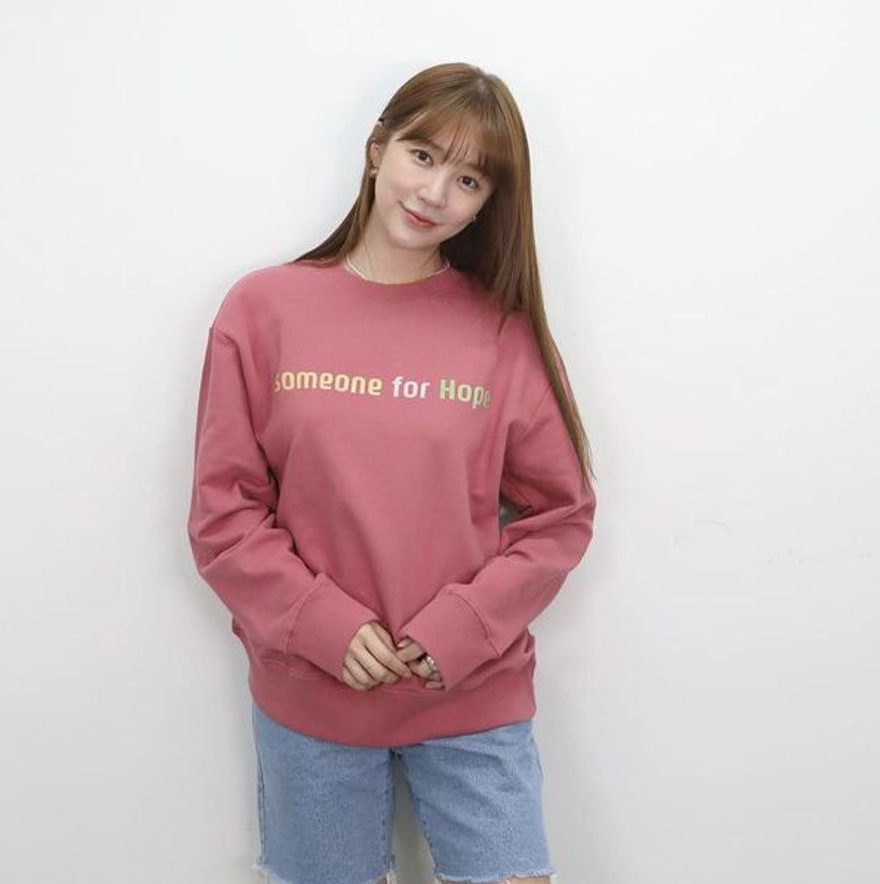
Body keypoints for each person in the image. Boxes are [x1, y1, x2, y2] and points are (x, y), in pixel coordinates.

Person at [186, 62, 597, 884]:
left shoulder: (504, 333)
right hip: (312, 695)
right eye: (422, 155)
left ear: (487, 203)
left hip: (472, 694)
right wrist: (321, 624)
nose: (435, 192)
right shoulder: (262, 310)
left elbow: (560, 517)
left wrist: (462, 629)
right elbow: (224, 512)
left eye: (468, 179)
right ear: (378, 150)